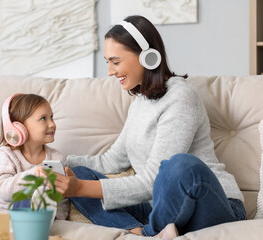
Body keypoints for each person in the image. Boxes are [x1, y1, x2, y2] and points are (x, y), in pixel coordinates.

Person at [36, 15, 246, 239]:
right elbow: (111, 161)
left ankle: (149, 233)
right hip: (161, 210)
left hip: (211, 205)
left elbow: (152, 181)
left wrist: (78, 188)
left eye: (115, 62)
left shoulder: (180, 96)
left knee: (180, 166)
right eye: (108, 62)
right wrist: (54, 161)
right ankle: (141, 232)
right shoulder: (139, 103)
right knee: (79, 173)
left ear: (147, 57)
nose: (109, 71)